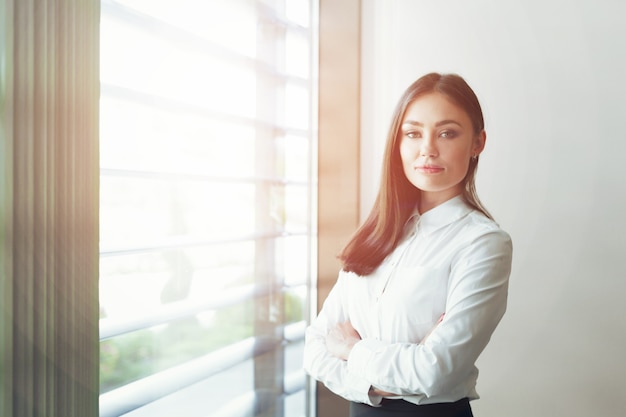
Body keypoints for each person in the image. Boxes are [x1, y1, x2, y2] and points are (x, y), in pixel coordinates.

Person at [303, 72, 513, 417]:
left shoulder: (483, 244)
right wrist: (380, 383)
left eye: (447, 133)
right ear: (398, 143)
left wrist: (351, 350)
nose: (427, 149)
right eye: (413, 133)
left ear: (477, 143)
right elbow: (315, 348)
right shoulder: (376, 234)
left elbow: (435, 370)